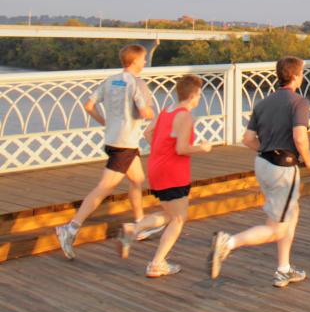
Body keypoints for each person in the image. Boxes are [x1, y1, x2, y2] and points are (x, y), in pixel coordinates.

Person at [209, 56, 310, 288]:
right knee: (276, 228)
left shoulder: (263, 103)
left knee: (291, 213)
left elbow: (248, 139)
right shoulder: (299, 102)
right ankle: (228, 242)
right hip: (283, 168)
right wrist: (309, 159)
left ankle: (283, 269)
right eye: (301, 73)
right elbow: (300, 136)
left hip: (263, 164)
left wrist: (268, 150)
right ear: (297, 76)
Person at [56, 44, 157, 260]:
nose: (145, 62)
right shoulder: (136, 83)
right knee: (104, 188)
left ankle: (139, 224)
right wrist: (153, 115)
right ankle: (71, 228)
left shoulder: (111, 80)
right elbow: (144, 111)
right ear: (135, 61)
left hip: (113, 138)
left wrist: (105, 121)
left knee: (138, 179)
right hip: (125, 143)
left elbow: (89, 105)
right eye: (144, 59)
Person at [117, 74, 213, 277]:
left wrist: (161, 151)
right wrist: (202, 148)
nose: (199, 99)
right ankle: (156, 263)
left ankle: (133, 229)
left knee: (170, 214)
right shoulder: (185, 116)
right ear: (193, 95)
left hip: (157, 167)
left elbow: (148, 134)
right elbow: (181, 148)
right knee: (178, 219)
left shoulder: (167, 110)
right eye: (199, 95)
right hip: (173, 172)